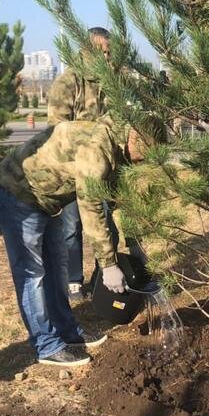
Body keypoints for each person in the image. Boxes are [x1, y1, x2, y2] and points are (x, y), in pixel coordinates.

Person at [0, 115, 150, 367]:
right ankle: (47, 345)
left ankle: (68, 332)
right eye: (142, 156)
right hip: (18, 194)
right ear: (134, 139)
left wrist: (135, 245)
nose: (140, 163)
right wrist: (108, 264)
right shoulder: (97, 148)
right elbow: (91, 206)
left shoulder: (116, 146)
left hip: (48, 199)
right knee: (32, 275)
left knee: (57, 268)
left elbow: (117, 199)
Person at [46, 27, 117, 302]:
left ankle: (104, 278)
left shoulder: (111, 81)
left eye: (109, 52)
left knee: (108, 224)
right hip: (74, 168)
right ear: (87, 51)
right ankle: (74, 281)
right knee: (72, 227)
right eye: (103, 52)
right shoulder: (69, 81)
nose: (107, 57)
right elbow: (57, 130)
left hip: (105, 167)